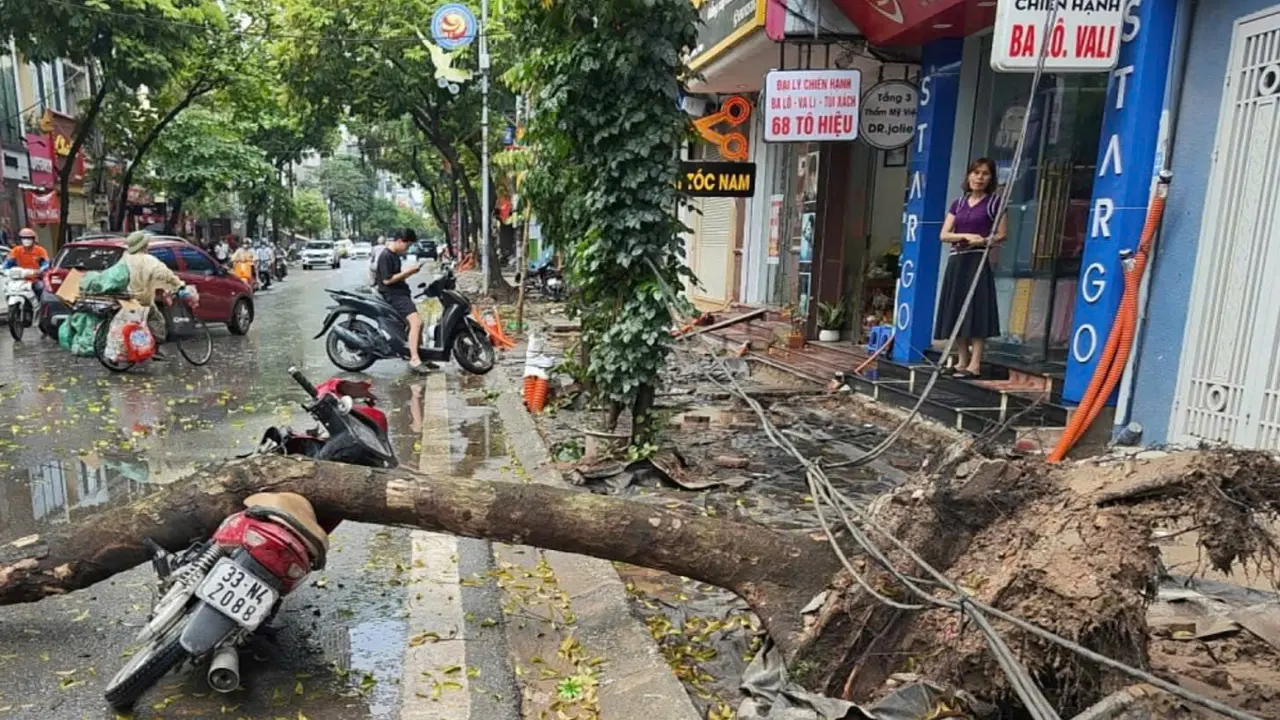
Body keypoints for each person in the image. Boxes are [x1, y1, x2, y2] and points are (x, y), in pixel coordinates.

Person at [935, 158, 1006, 379]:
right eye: (976, 173)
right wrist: (964, 236)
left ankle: (975, 364)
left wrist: (982, 241)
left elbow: (1003, 235)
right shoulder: (958, 204)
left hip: (977, 262)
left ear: (991, 178)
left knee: (977, 310)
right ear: (968, 176)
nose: (979, 177)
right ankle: (961, 359)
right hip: (957, 261)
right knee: (956, 308)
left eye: (985, 174)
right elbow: (944, 234)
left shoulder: (995, 203)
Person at [119, 231, 185, 357]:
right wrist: (179, 284)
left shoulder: (125, 258)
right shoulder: (148, 260)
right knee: (157, 321)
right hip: (143, 299)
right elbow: (165, 274)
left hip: (126, 298)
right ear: (143, 246)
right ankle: (155, 349)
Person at [375, 230, 429, 373]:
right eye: (408, 245)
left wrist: (409, 273)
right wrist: (408, 272)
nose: (408, 248)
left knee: (418, 324)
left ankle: (421, 355)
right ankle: (415, 359)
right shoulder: (386, 256)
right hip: (394, 295)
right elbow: (387, 280)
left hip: (401, 293)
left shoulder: (395, 256)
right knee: (416, 323)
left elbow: (396, 277)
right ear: (399, 241)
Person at [4, 229, 51, 293]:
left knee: (41, 288)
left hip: (35, 278)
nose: (26, 240)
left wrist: (40, 271)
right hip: (19, 279)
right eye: (24, 238)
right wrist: (3, 269)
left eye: (29, 238)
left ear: (33, 239)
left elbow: (46, 264)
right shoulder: (16, 250)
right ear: (20, 240)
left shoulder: (40, 250)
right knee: (7, 289)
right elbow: (8, 262)